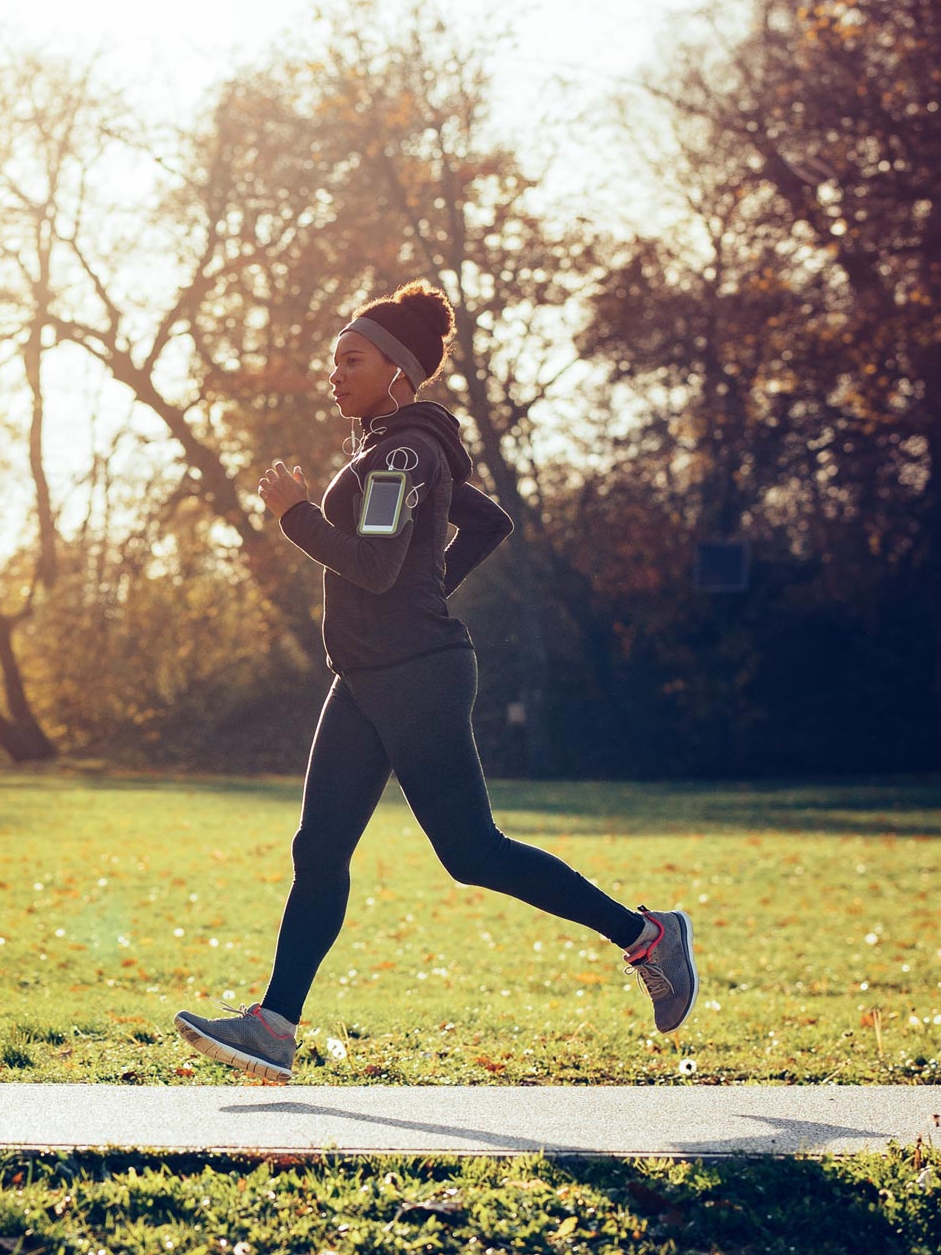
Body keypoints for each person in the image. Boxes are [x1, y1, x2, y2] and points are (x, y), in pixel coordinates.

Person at [174, 279, 699, 1085]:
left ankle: (647, 935)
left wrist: (295, 514)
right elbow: (485, 523)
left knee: (472, 851)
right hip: (368, 674)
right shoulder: (396, 450)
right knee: (319, 849)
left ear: (398, 369)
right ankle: (274, 1027)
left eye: (350, 359)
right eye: (331, 361)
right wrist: (427, 585)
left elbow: (378, 564)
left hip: (417, 675)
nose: (333, 374)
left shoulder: (405, 453)